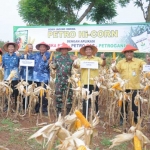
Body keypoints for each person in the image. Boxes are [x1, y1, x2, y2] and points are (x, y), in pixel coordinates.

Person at [112, 44, 146, 124]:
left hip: (135, 87)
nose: (129, 53)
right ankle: (122, 120)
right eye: (127, 52)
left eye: (131, 52)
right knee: (123, 104)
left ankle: (136, 121)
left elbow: (146, 66)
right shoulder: (121, 62)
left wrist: (148, 62)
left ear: (133, 53)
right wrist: (113, 65)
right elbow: (115, 70)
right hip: (124, 88)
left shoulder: (139, 61)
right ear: (125, 53)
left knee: (136, 106)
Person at [74, 45, 106, 117]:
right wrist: (75, 61)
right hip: (85, 82)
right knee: (85, 99)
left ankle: (96, 114)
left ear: (92, 51)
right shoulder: (81, 59)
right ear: (85, 51)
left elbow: (103, 64)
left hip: (94, 83)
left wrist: (104, 59)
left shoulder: (97, 59)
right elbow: (76, 66)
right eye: (87, 50)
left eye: (90, 50)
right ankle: (85, 114)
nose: (88, 51)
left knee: (95, 99)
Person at [52, 43, 76, 115]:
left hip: (68, 81)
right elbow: (54, 67)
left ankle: (68, 112)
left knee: (69, 97)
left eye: (65, 49)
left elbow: (76, 68)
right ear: (60, 50)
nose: (64, 50)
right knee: (58, 96)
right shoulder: (57, 58)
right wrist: (51, 64)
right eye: (62, 49)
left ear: (67, 50)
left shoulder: (71, 58)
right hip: (59, 80)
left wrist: (76, 61)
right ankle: (59, 111)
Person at [33, 42, 50, 114]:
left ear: (46, 48)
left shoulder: (49, 55)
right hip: (36, 77)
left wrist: (46, 60)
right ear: (39, 48)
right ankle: (37, 108)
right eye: (41, 47)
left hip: (44, 77)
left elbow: (50, 66)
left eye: (44, 47)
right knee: (36, 93)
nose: (42, 48)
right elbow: (29, 61)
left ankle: (44, 108)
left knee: (44, 93)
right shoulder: (35, 55)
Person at [2, 42, 20, 108]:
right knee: (7, 91)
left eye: (12, 47)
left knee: (15, 91)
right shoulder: (4, 56)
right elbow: (2, 66)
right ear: (7, 48)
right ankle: (7, 105)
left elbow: (22, 64)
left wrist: (20, 56)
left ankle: (15, 105)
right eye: (9, 47)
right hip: (6, 77)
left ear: (14, 48)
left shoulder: (17, 56)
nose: (11, 48)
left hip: (15, 77)